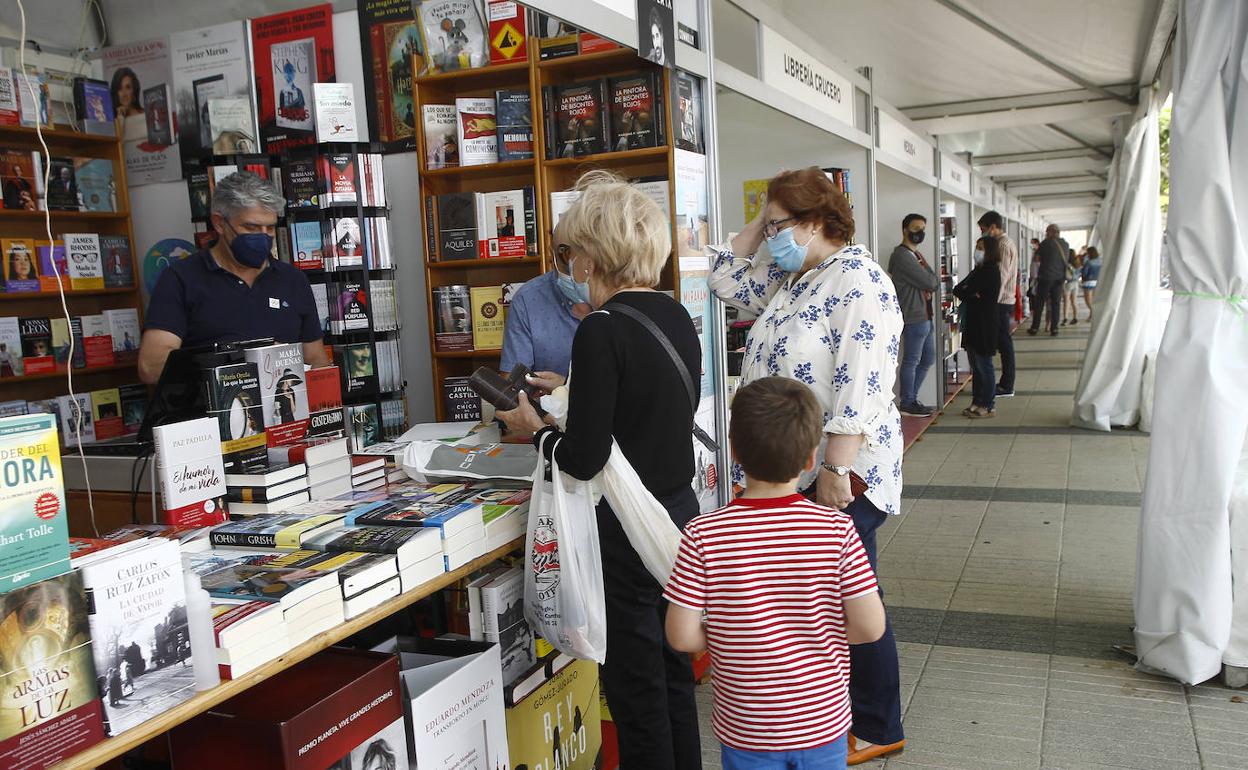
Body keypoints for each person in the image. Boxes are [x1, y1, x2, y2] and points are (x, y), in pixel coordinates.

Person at [496, 171, 701, 770]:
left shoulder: (600, 329)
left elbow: (584, 457)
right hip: (675, 520)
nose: (570, 261)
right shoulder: (676, 317)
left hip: (623, 533)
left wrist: (536, 432)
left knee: (637, 699)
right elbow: (652, 412)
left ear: (592, 253)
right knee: (673, 682)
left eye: (572, 248)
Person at [708, 167, 905, 765]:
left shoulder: (859, 281)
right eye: (768, 228)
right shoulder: (797, 276)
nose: (771, 239)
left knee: (848, 596)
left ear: (818, 221)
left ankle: (876, 721)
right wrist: (764, 219)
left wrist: (834, 472)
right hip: (791, 463)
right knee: (825, 591)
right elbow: (719, 279)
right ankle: (819, 706)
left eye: (781, 226)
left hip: (840, 471)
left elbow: (862, 385)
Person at [665, 376, 887, 770]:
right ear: (810, 458)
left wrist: (732, 635)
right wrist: (823, 632)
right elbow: (870, 627)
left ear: (734, 451)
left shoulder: (703, 534)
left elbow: (681, 635)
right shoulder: (836, 529)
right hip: (822, 721)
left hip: (747, 725)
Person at [138, 172, 330, 384]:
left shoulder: (292, 280)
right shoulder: (181, 279)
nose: (263, 236)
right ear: (219, 223)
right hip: (212, 413)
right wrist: (241, 360)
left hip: (282, 410)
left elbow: (316, 359)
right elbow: (151, 366)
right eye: (251, 227)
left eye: (270, 228)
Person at [499, 223, 593, 379]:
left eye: (584, 267)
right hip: (543, 403)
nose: (577, 276)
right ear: (552, 254)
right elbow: (512, 388)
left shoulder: (622, 295)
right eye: (566, 263)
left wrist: (565, 390)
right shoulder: (527, 300)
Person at [887, 214, 940, 417]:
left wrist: (928, 274)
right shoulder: (902, 256)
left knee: (927, 358)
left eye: (923, 228)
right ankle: (907, 401)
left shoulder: (915, 255)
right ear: (905, 230)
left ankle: (912, 398)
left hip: (924, 315)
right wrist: (928, 275)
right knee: (912, 360)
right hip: (913, 316)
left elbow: (932, 279)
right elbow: (931, 283)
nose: (920, 232)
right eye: (916, 228)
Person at [955, 237, 1002, 418]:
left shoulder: (990, 271)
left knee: (984, 365)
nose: (977, 251)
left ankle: (988, 404)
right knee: (976, 365)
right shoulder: (978, 270)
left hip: (985, 325)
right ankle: (977, 401)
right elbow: (959, 289)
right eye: (977, 247)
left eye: (981, 248)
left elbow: (968, 290)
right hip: (973, 324)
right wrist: (971, 293)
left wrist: (970, 292)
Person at [976, 211, 1017, 398]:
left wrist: (990, 302)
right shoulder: (1002, 244)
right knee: (1003, 342)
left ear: (993, 227)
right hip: (1000, 300)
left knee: (1004, 343)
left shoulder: (1003, 245)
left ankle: (1007, 384)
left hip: (1000, 302)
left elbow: (1001, 276)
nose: (983, 233)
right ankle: (1005, 383)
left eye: (984, 229)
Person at [1028, 225, 1068, 336]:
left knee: (1039, 304)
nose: (1046, 234)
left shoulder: (1045, 243)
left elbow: (1037, 259)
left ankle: (1035, 328)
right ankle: (1054, 329)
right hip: (1059, 279)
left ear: (1051, 232)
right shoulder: (1065, 244)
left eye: (1047, 232)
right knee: (1056, 304)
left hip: (1045, 278)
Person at [1061, 249, 1083, 325]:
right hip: (1076, 283)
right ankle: (1075, 318)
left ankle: (1065, 319)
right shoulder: (1078, 263)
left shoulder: (1066, 264)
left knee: (1066, 302)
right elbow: (1080, 273)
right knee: (1074, 301)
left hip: (1068, 283)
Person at [1081, 246, 1102, 322]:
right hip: (1097, 282)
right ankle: (1091, 315)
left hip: (1088, 282)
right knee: (1094, 299)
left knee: (1088, 300)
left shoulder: (1089, 262)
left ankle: (1093, 312)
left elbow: (1084, 273)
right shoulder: (1100, 261)